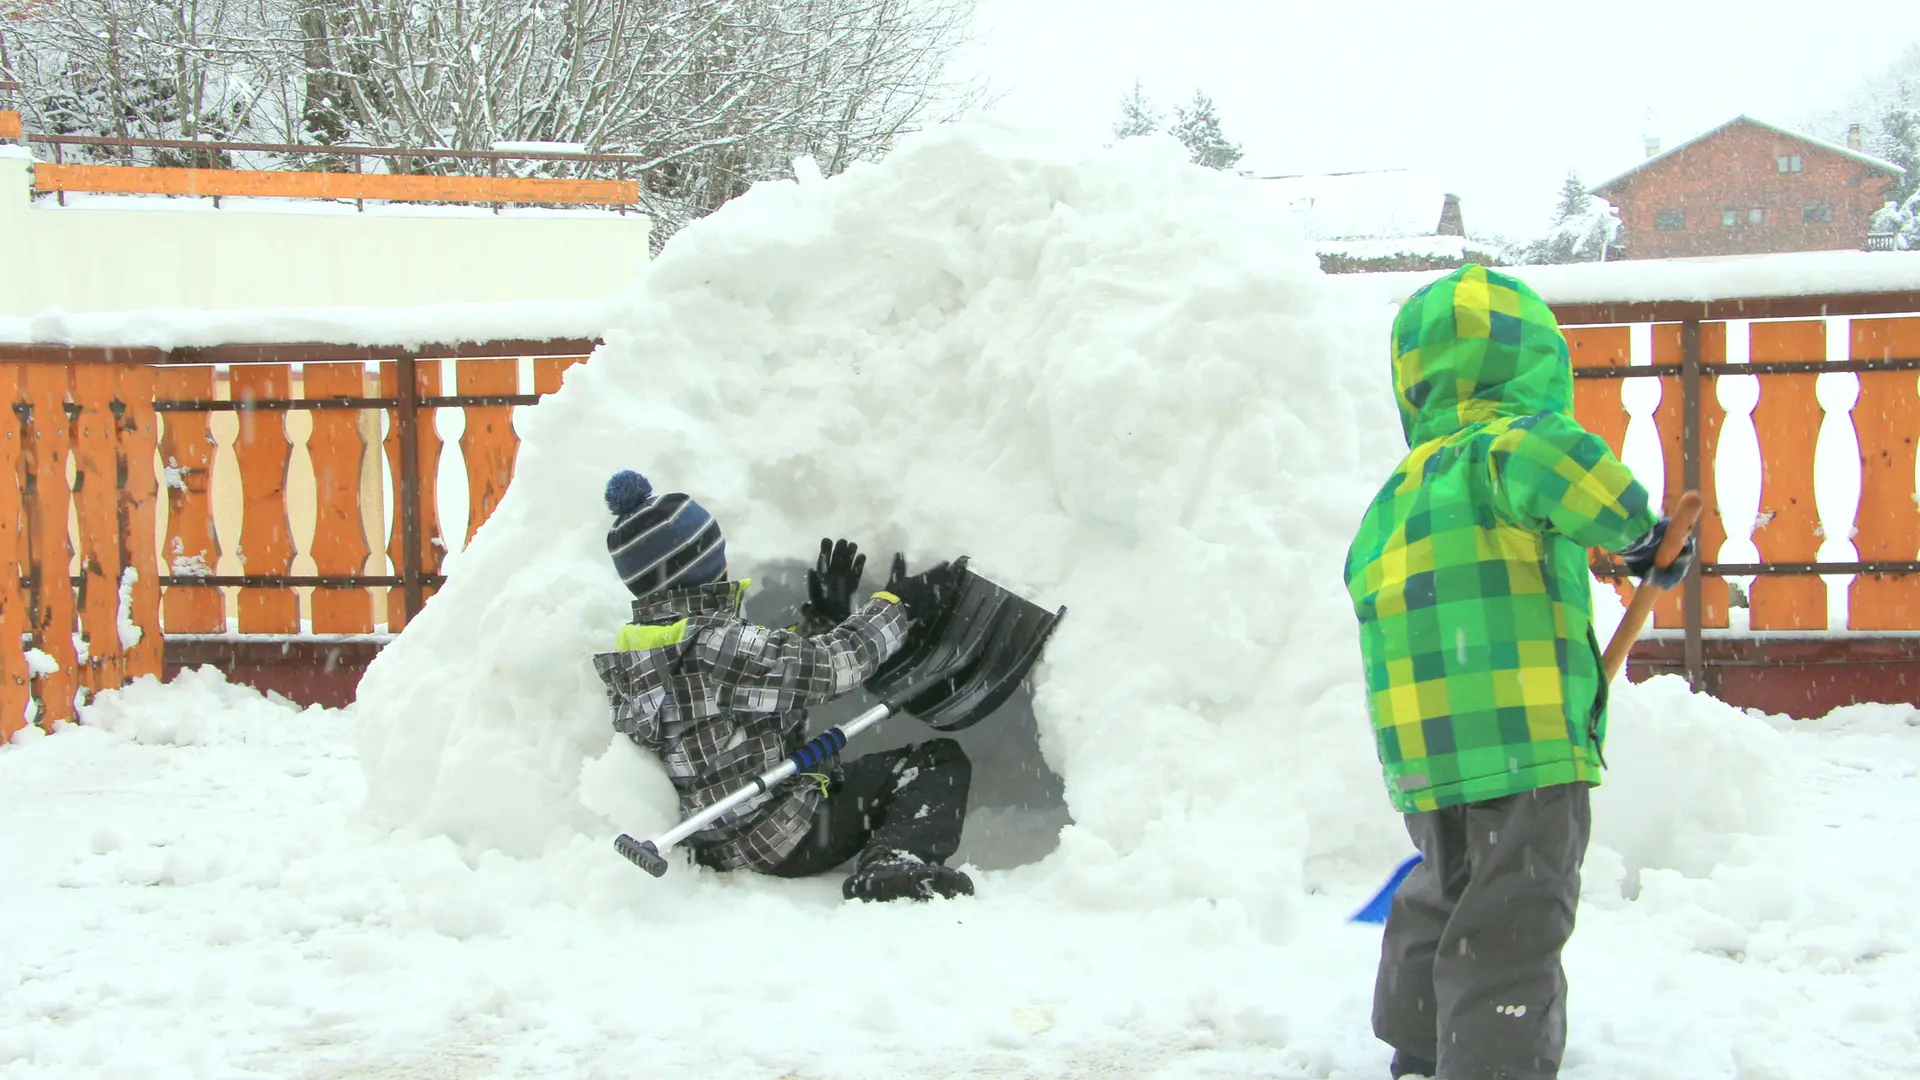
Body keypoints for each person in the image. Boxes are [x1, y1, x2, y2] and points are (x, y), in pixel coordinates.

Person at [1343, 265, 1696, 1079]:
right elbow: (1564, 461)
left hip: (1426, 747)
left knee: (1447, 886)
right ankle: (1493, 1063)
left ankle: (1421, 1044)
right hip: (1525, 735)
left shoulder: (1397, 491)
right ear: (1537, 364)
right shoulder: (1509, 444)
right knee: (1514, 912)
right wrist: (1640, 536)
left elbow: (1363, 583)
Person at [590, 469, 978, 902]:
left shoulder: (648, 651)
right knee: (935, 764)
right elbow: (833, 668)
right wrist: (898, 606)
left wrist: (823, 619)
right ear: (700, 565)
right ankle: (891, 866)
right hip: (781, 835)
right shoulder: (715, 642)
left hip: (724, 836)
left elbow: (764, 684)